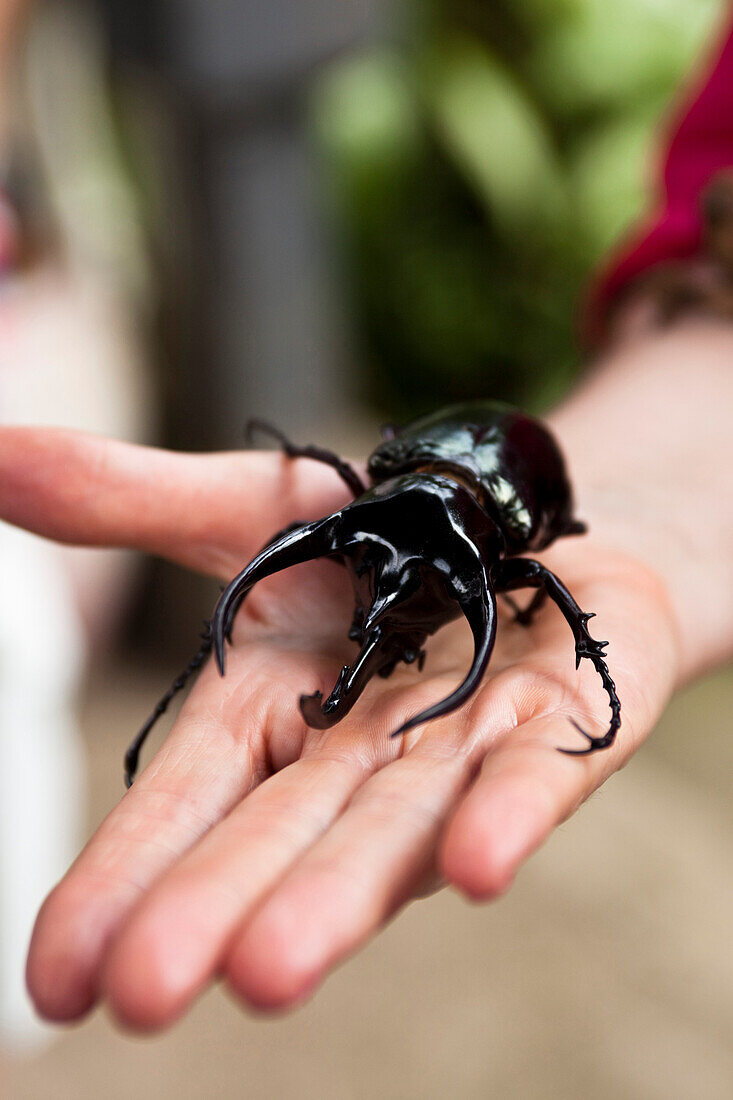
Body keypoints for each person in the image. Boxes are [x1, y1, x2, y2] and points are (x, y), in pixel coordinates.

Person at [1, 14, 733, 1036]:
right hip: (450, 458)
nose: (382, 597)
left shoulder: (517, 547)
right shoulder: (374, 492)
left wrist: (589, 658)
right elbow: (359, 503)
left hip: (520, 480)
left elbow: (545, 580)